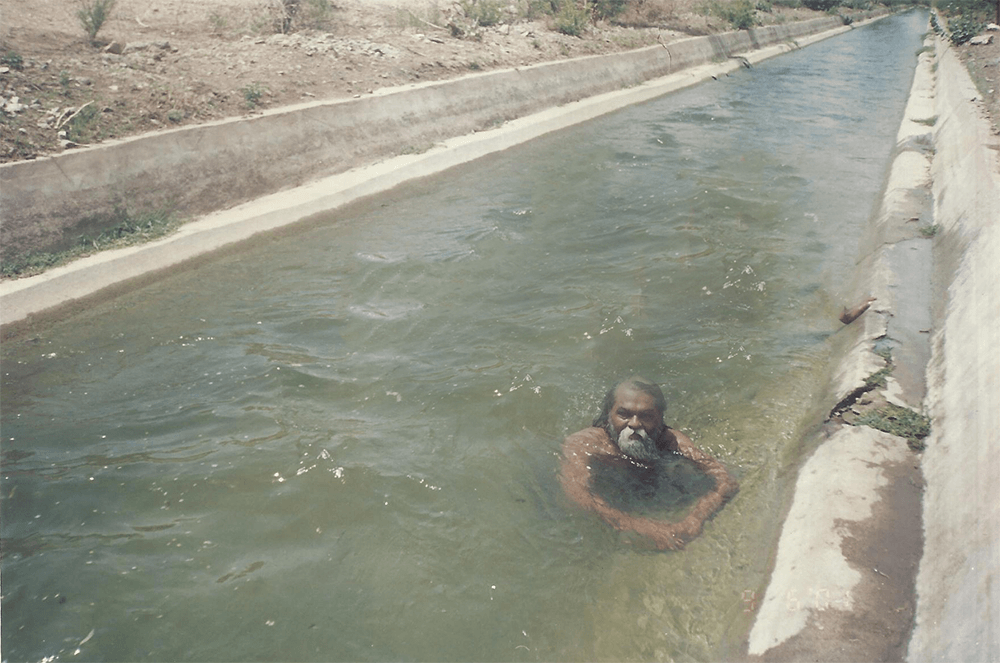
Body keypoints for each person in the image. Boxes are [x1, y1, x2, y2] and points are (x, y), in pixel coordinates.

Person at [560, 376, 738, 550]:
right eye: (624, 414)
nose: (635, 423)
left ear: (659, 419)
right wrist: (639, 527)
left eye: (646, 416)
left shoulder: (672, 441)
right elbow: (576, 496)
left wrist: (694, 522)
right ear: (609, 414)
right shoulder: (585, 444)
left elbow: (725, 479)